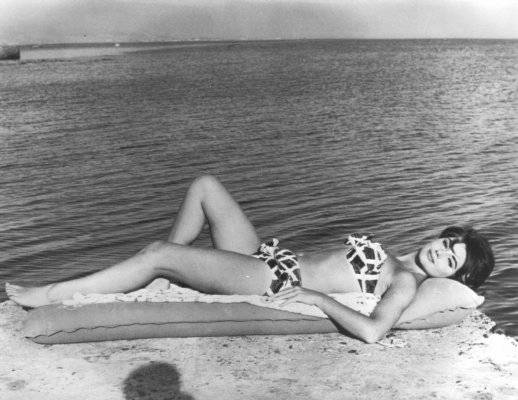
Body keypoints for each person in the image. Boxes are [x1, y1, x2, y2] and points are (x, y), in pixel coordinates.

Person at [5, 175, 494, 343]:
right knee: (205, 186)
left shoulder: (405, 280)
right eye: (448, 242)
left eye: (451, 260)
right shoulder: (397, 255)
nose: (442, 251)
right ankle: (162, 275)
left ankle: (51, 294)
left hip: (264, 279)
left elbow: (373, 331)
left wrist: (317, 298)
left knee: (157, 253)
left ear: (454, 275)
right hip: (267, 256)